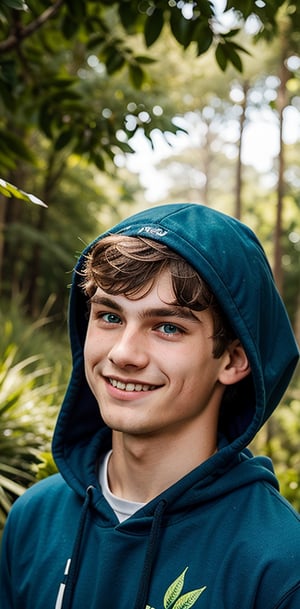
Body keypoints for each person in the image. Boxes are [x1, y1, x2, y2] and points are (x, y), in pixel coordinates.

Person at [1, 202, 299, 609]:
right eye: (109, 316)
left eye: (168, 327)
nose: (124, 353)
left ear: (233, 359)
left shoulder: (280, 565)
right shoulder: (34, 518)